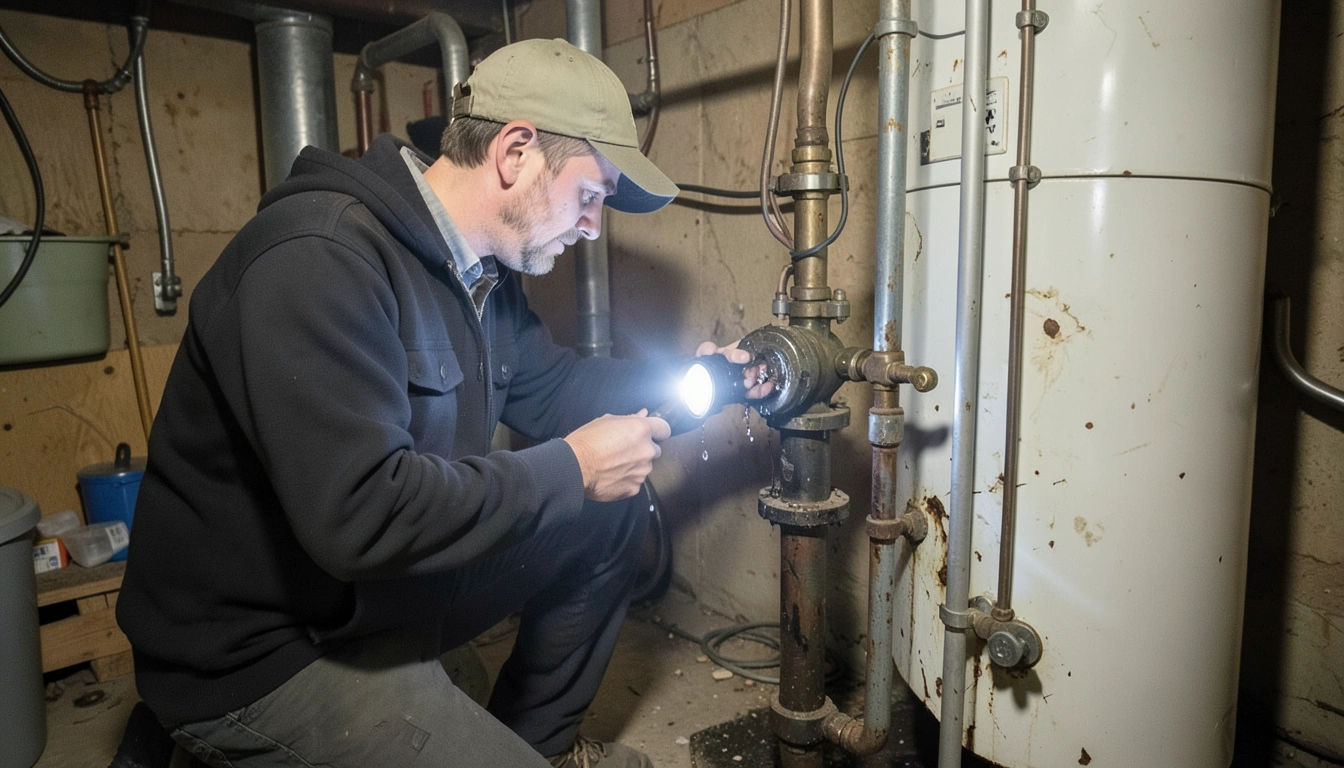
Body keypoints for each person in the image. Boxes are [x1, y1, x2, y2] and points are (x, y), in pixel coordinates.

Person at [116, 38, 767, 768]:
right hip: (262, 652)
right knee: (578, 488)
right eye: (590, 195)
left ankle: (537, 749)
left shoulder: (479, 273)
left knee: (607, 514)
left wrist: (701, 382)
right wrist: (569, 470)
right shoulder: (316, 260)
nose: (592, 226)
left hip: (372, 592)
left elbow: (555, 392)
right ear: (515, 153)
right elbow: (362, 515)